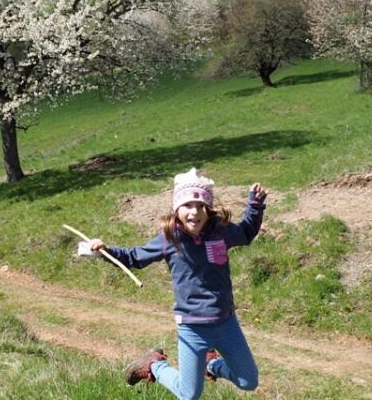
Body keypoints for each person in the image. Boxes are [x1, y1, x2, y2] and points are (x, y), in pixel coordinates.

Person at [87, 168, 267, 400]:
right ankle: (154, 365)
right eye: (188, 205)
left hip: (226, 323)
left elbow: (245, 233)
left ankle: (210, 366)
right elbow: (134, 257)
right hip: (192, 328)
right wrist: (105, 251)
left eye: (201, 205)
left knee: (248, 381)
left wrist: (255, 206)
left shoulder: (220, 232)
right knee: (189, 394)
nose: (195, 212)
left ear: (208, 208)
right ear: (177, 209)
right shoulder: (170, 239)